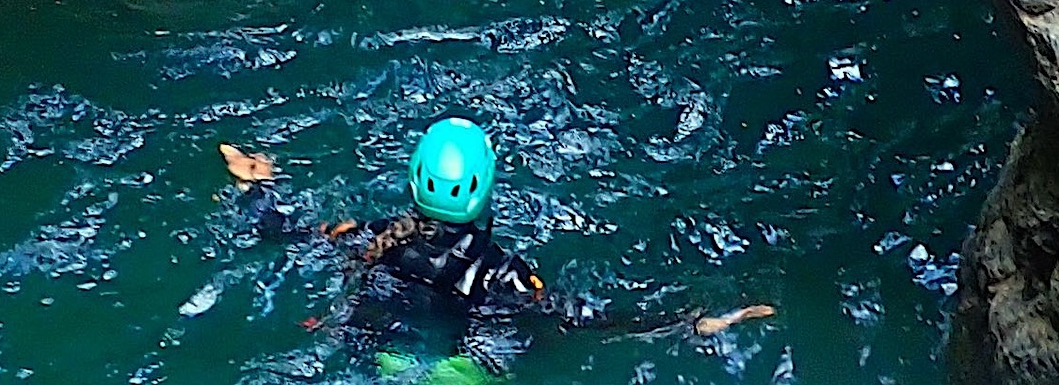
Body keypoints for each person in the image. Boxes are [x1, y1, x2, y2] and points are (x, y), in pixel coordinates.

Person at [303, 118, 772, 376]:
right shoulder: (503, 274)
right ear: (486, 188)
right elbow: (584, 320)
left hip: (384, 359)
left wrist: (256, 189)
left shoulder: (373, 235)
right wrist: (688, 322)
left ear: (413, 180)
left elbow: (298, 233)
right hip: (458, 373)